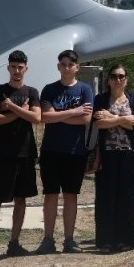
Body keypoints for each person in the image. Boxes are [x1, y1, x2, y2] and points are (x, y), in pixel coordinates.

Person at [0, 50, 42, 260]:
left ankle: (14, 242)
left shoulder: (32, 91)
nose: (17, 71)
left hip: (26, 152)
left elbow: (36, 118)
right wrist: (20, 111)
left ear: (26, 68)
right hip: (4, 152)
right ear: (8, 68)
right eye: (13, 67)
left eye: (20, 67)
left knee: (21, 199)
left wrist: (11, 107)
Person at [37, 49, 95, 254]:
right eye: (63, 64)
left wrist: (59, 115)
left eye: (71, 64)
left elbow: (86, 119)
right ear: (58, 67)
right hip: (51, 150)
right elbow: (45, 116)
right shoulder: (49, 90)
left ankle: (69, 240)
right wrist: (74, 112)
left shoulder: (85, 90)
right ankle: (48, 239)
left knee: (71, 196)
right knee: (50, 195)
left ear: (77, 67)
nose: (67, 68)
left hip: (75, 151)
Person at [92, 64, 134, 252]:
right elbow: (98, 123)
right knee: (105, 197)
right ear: (108, 80)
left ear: (126, 79)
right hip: (106, 154)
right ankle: (105, 241)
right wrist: (124, 119)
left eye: (121, 76)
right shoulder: (101, 99)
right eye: (114, 76)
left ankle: (125, 240)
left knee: (126, 197)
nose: (118, 80)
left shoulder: (133, 99)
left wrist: (111, 117)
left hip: (128, 154)